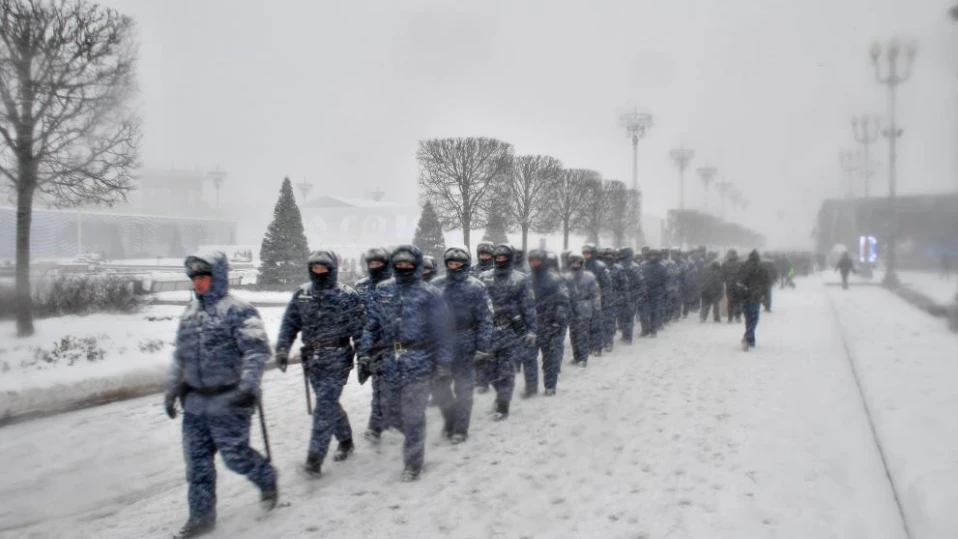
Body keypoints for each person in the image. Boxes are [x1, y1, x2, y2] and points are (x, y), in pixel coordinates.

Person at [164, 251, 278, 538]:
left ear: (218, 278)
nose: (199, 284)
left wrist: (248, 387)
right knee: (197, 464)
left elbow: (256, 351)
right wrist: (172, 389)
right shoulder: (190, 314)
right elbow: (181, 356)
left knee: (234, 457)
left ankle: (266, 477)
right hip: (195, 404)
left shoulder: (239, 311)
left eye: (204, 277)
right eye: (195, 279)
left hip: (229, 401)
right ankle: (201, 518)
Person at [358, 245, 450, 481]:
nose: (404, 267)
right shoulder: (382, 290)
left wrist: (444, 363)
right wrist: (365, 353)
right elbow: (372, 325)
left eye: (408, 264)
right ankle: (411, 435)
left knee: (413, 414)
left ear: (416, 265)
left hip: (419, 360)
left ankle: (413, 463)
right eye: (399, 263)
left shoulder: (430, 294)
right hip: (388, 359)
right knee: (387, 410)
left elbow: (443, 331)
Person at [274, 250, 364, 478]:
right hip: (313, 360)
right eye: (315, 268)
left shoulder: (347, 296)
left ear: (332, 268)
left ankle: (313, 462)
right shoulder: (302, 295)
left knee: (324, 406)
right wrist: (283, 349)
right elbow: (289, 324)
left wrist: (364, 357)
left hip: (338, 356)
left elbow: (360, 330)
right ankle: (346, 439)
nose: (319, 272)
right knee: (329, 404)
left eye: (323, 267)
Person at [430, 246, 493, 443]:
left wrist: (483, 346)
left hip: (467, 342)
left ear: (465, 264)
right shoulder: (436, 285)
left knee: (464, 389)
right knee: (439, 388)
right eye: (451, 263)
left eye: (458, 263)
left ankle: (461, 428)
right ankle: (450, 420)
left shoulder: (476, 287)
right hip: (441, 344)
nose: (454, 267)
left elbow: (486, 318)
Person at [477, 244, 538, 415]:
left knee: (506, 369)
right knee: (488, 370)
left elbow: (528, 306)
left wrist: (532, 330)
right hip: (489, 330)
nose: (500, 260)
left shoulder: (520, 279)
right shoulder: (484, 277)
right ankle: (500, 395)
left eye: (504, 257)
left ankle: (503, 403)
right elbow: (478, 304)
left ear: (510, 258)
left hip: (512, 329)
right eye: (497, 257)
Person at [354, 247, 392, 443]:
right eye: (371, 263)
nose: (374, 266)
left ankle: (379, 424)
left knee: (387, 386)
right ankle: (378, 423)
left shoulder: (395, 284)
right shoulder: (360, 287)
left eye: (378, 263)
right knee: (378, 386)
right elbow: (354, 315)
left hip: (393, 343)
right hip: (369, 343)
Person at [527, 249, 570, 396]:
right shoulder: (527, 280)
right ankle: (531, 387)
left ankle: (550, 385)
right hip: (532, 324)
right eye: (531, 260)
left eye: (537, 260)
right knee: (529, 357)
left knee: (550, 357)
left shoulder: (555, 279)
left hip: (550, 323)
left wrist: (557, 321)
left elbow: (563, 302)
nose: (534, 263)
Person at [564, 253, 601, 366]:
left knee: (583, 334)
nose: (575, 265)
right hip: (571, 306)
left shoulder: (588, 276)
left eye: (578, 262)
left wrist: (596, 306)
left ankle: (583, 358)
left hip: (584, 305)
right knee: (573, 333)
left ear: (581, 263)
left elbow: (595, 292)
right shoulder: (566, 277)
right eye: (573, 262)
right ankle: (576, 356)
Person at [737, 250, 770, 350]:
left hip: (744, 295)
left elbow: (738, 281)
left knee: (748, 318)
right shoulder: (761, 268)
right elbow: (766, 284)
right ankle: (747, 336)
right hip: (756, 295)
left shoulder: (743, 267)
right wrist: (765, 297)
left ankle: (751, 339)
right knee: (754, 318)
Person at [582, 244, 610, 355]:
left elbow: (606, 284)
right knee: (585, 325)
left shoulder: (600, 266)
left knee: (596, 324)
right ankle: (588, 346)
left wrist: (604, 298)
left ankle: (597, 347)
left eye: (588, 253)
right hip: (585, 299)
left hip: (597, 298)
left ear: (593, 253)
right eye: (584, 253)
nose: (585, 255)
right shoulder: (582, 265)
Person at [600, 247, 625, 352]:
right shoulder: (599, 268)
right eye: (606, 255)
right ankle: (600, 341)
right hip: (599, 297)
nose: (608, 257)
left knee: (609, 320)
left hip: (612, 297)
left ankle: (609, 341)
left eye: (610, 255)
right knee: (599, 321)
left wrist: (621, 296)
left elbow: (623, 284)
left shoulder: (619, 269)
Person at [617, 248, 642, 344]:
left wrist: (636, 294)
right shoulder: (621, 266)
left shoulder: (633, 267)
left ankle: (628, 337)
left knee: (628, 317)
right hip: (624, 295)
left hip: (630, 295)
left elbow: (640, 282)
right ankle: (625, 335)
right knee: (624, 317)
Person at [642, 249, 668, 337]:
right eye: (651, 255)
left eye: (654, 255)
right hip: (645, 291)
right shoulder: (643, 266)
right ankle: (645, 330)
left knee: (654, 312)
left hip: (657, 292)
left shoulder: (662, 267)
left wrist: (664, 292)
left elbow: (665, 280)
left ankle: (653, 330)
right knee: (644, 312)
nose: (652, 257)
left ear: (658, 256)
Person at [722, 249, 743, 323]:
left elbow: (722, 275)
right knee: (738, 301)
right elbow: (743, 274)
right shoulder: (740, 263)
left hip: (729, 284)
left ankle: (730, 317)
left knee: (730, 301)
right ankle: (738, 317)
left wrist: (726, 280)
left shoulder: (725, 264)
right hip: (738, 284)